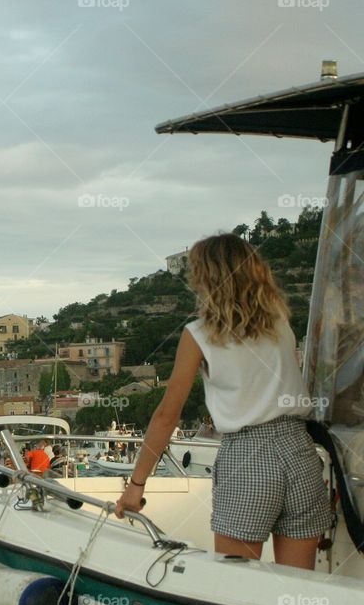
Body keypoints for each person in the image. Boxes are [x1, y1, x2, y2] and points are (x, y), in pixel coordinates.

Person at [115, 234, 330, 570]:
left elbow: (167, 416)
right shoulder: (280, 322)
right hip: (299, 451)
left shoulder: (199, 334)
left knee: (235, 579)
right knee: (298, 583)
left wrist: (136, 485)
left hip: (248, 457)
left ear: (205, 277)